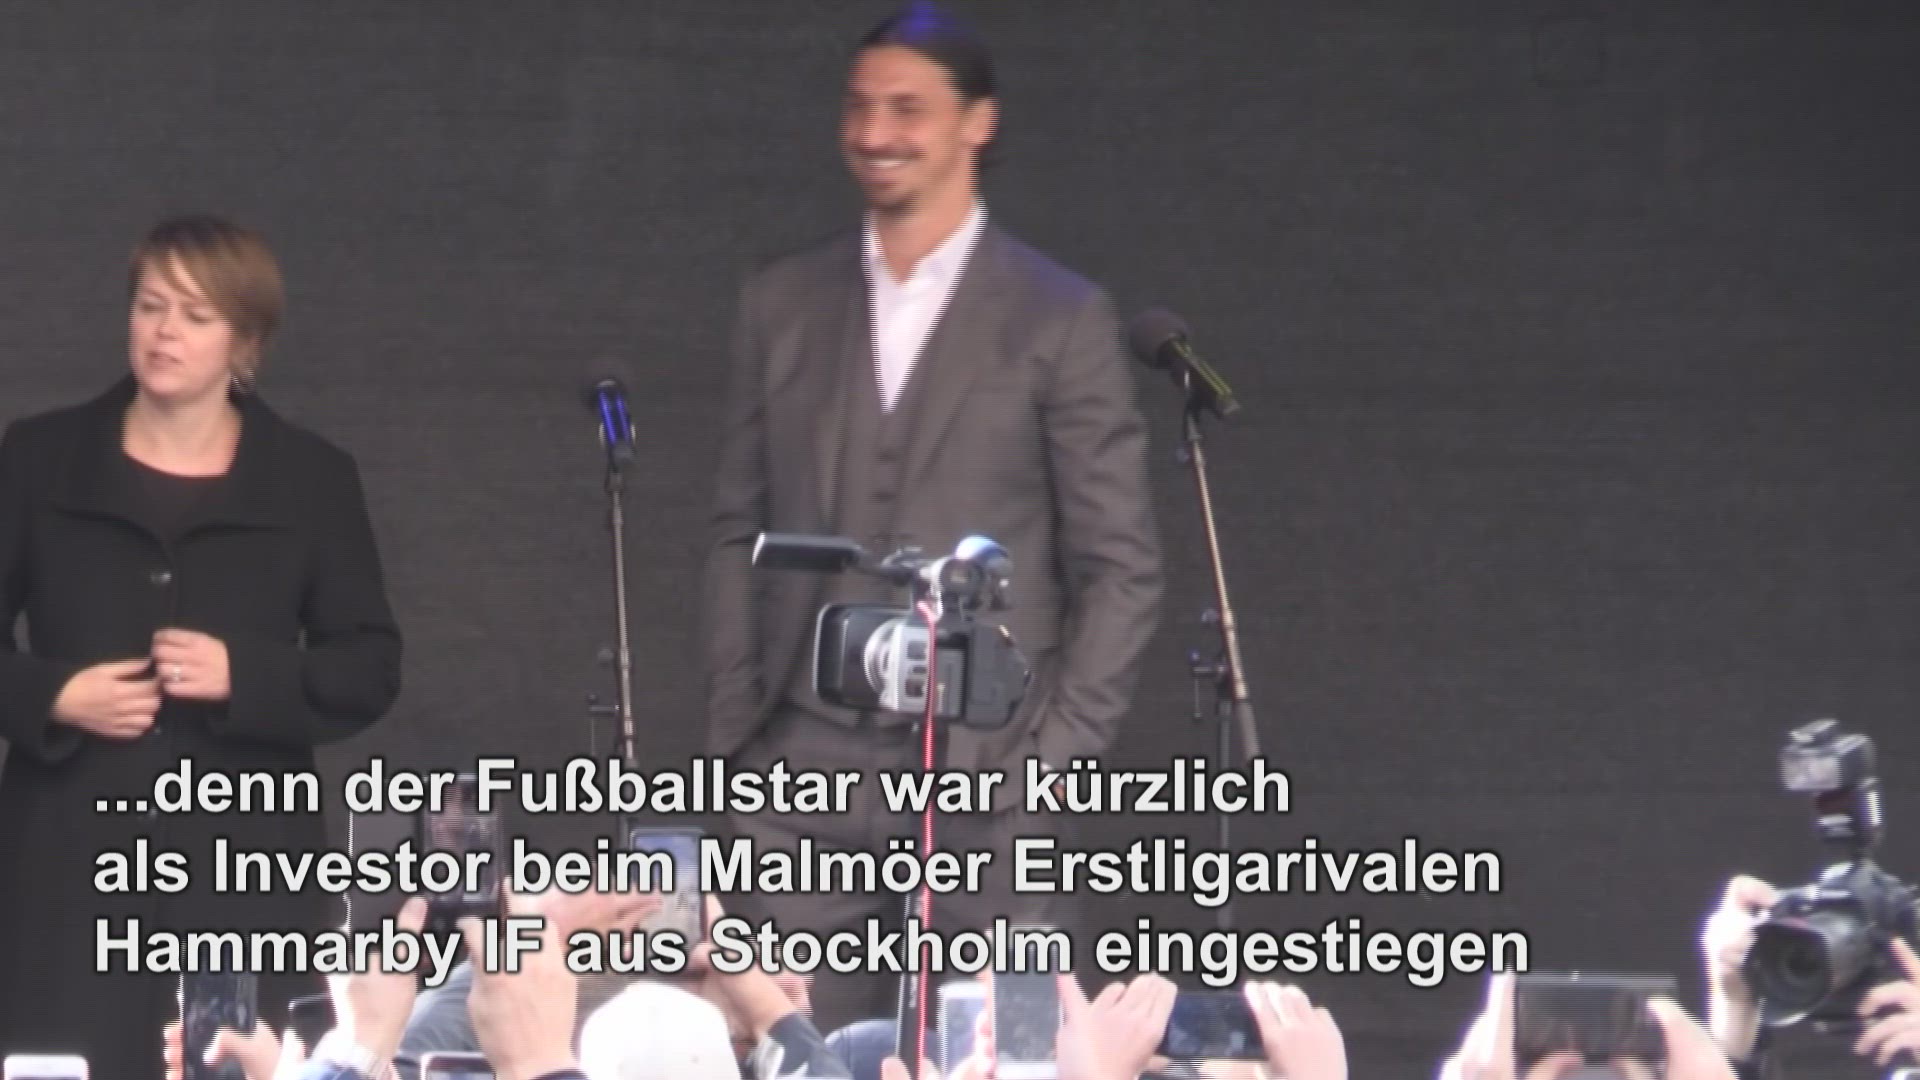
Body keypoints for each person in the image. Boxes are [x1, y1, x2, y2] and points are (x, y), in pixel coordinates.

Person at [703, 0, 1163, 1032]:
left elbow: (1121, 568)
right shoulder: (781, 302)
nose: (875, 132)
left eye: (907, 108)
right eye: (859, 106)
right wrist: (742, 739)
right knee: (793, 1047)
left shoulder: (1057, 316)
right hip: (803, 775)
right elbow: (738, 532)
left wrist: (1048, 767)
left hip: (989, 778)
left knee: (1001, 1050)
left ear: (976, 122)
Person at [0, 215, 403, 1079]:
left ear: (244, 342)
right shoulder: (39, 458)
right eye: (150, 307)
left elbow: (368, 664)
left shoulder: (310, 478)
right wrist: (52, 694)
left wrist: (243, 675)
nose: (164, 332)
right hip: (71, 859)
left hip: (242, 858)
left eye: (194, 315)